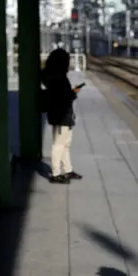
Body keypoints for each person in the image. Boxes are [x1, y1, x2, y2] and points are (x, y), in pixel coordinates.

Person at [41, 48, 83, 184]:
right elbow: (63, 97)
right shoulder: (58, 78)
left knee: (65, 143)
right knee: (59, 144)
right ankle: (56, 173)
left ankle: (67, 169)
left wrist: (72, 93)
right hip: (61, 115)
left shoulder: (52, 76)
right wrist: (74, 93)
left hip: (62, 115)